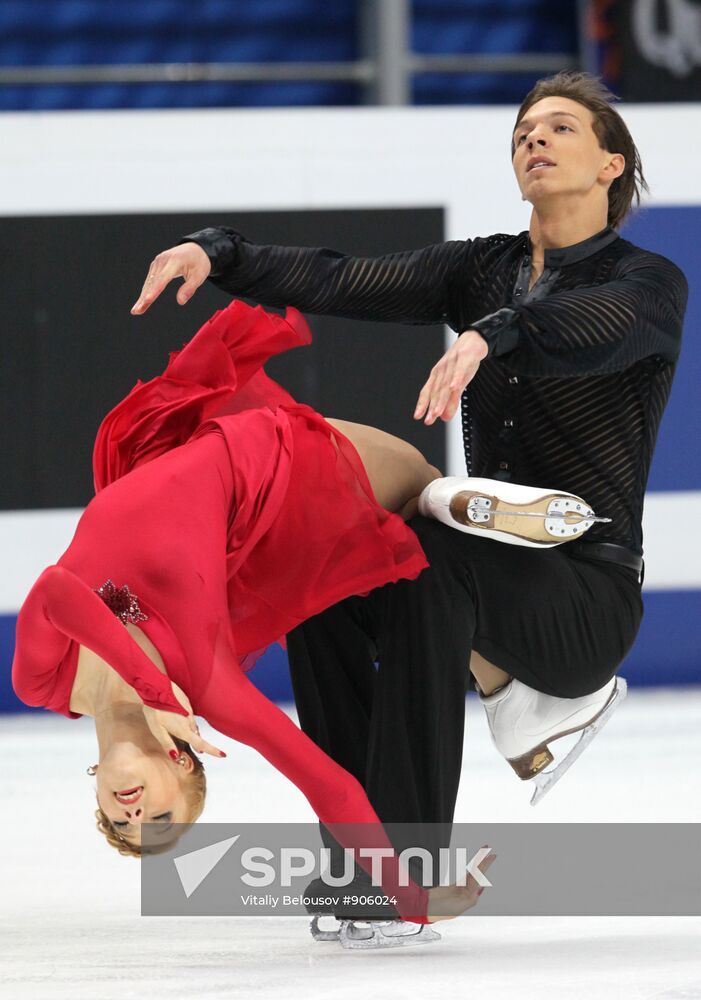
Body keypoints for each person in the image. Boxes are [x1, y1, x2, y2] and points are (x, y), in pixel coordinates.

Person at [128, 70, 688, 944]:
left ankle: (408, 874)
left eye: (560, 129)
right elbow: (346, 276)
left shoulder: (649, 283)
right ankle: (360, 864)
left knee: (426, 564)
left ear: (611, 163)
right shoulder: (484, 268)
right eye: (522, 131)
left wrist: (492, 332)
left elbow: (590, 331)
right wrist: (224, 255)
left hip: (583, 596)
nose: (533, 139)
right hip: (488, 562)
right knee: (322, 573)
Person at [12, 297, 505, 932]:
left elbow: (58, 591)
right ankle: (506, 663)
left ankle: (485, 645)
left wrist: (150, 688)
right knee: (424, 488)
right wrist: (413, 900)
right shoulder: (211, 688)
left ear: (99, 794)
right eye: (159, 823)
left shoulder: (46, 683)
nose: (131, 818)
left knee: (417, 514)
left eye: (119, 825)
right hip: (278, 481)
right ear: (182, 765)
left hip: (195, 452)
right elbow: (328, 786)